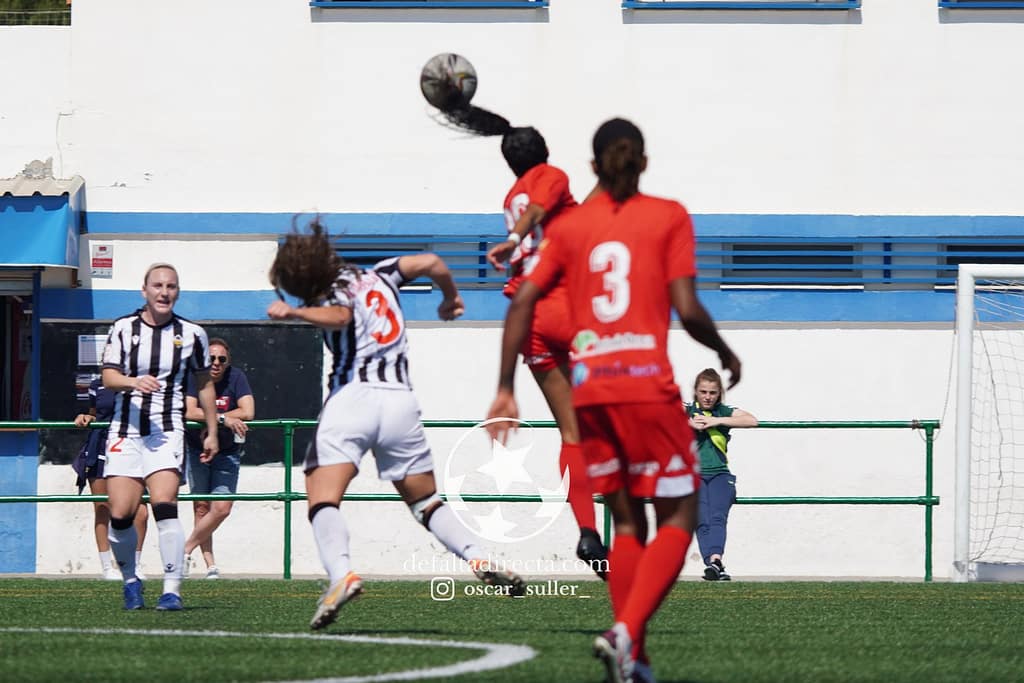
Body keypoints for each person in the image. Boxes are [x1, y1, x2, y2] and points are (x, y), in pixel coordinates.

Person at [486, 118, 742, 683]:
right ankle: (625, 631)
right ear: (644, 163)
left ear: (594, 166)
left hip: (593, 387)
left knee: (626, 525)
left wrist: (504, 385)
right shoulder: (668, 215)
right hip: (645, 384)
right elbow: (688, 306)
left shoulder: (573, 229)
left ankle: (636, 658)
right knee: (678, 512)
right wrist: (724, 349)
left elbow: (523, 299)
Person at [266, 218, 526, 631]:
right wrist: (450, 298)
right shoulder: (382, 273)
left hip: (354, 397)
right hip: (400, 402)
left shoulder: (332, 293)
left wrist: (296, 311)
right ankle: (477, 554)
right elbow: (434, 262)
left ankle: (341, 575)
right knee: (425, 502)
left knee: (322, 497)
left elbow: (340, 315)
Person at [437, 103, 606, 577]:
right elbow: (541, 209)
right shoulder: (548, 177)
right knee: (616, 403)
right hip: (562, 305)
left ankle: (589, 532)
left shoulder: (510, 191)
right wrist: (515, 238)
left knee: (572, 431)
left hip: (527, 318)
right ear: (544, 154)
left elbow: (561, 215)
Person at [100, 262, 220, 611]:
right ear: (145, 290)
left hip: (167, 431)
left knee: (165, 504)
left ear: (177, 292)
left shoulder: (193, 334)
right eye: (157, 285)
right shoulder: (123, 329)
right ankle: (130, 581)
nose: (164, 292)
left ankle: (172, 590)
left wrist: (211, 430)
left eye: (171, 286)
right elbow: (108, 376)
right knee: (121, 512)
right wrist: (133, 381)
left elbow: (205, 385)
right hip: (126, 431)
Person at [181, 337, 255, 579]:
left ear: (227, 362)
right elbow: (190, 411)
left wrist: (213, 420)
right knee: (201, 507)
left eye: (221, 359)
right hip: (196, 448)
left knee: (221, 508)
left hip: (227, 451)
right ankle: (210, 565)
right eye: (211, 358)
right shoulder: (196, 377)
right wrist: (223, 419)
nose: (216, 363)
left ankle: (183, 550)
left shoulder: (236, 377)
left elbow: (249, 411)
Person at [73, 377, 149, 580]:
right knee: (102, 508)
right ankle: (107, 567)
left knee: (140, 512)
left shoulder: (139, 381)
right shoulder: (97, 384)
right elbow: (94, 413)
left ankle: (134, 565)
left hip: (132, 446)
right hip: (101, 445)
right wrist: (86, 418)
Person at [686, 367, 758, 582]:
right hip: (693, 476)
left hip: (719, 474)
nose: (707, 397)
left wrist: (716, 422)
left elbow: (752, 420)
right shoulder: (686, 410)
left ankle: (715, 560)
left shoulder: (723, 411)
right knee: (700, 520)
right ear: (696, 392)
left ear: (719, 394)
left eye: (712, 392)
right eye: (703, 392)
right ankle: (715, 563)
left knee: (717, 518)